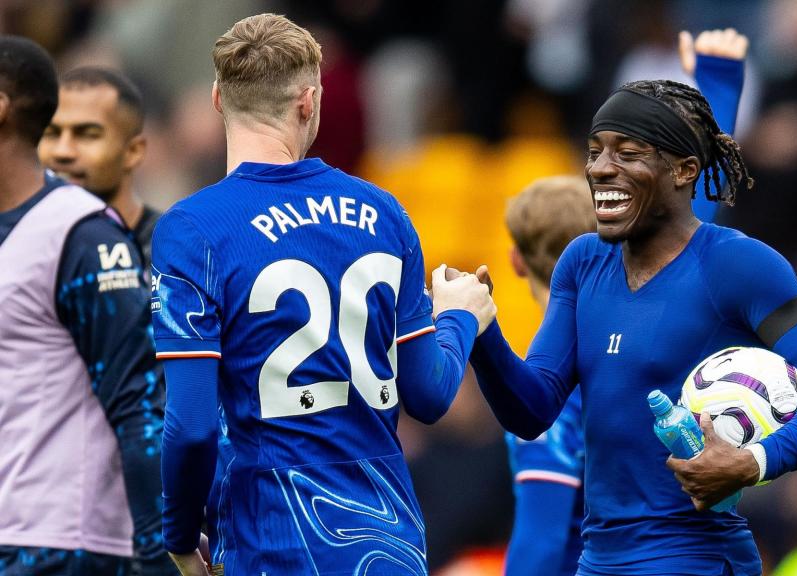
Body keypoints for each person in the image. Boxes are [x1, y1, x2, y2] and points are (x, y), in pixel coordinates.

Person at [444, 30, 797, 576]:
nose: (600, 168)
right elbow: (533, 409)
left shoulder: (736, 264)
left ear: (683, 170)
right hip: (599, 560)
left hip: (696, 558)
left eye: (627, 153)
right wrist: (483, 333)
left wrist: (756, 461)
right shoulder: (583, 262)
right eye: (594, 151)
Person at [151, 14, 495, 576]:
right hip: (389, 546)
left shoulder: (193, 229)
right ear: (309, 101)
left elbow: (189, 427)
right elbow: (429, 397)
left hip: (272, 542)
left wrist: (181, 539)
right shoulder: (386, 214)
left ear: (217, 98)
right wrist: (458, 318)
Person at [501, 29, 752, 576]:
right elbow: (693, 198)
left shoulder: (554, 388)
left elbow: (541, 542)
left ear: (517, 262)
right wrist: (718, 81)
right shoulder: (651, 301)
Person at [0, 36, 171, 574]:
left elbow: (139, 402)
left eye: (87, 133)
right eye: (56, 133)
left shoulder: (83, 234)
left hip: (57, 542)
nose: (66, 149)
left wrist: (160, 547)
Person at [39, 66, 161, 265]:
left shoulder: (172, 251)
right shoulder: (16, 244)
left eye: (87, 135)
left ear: (133, 152)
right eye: (52, 133)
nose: (62, 151)